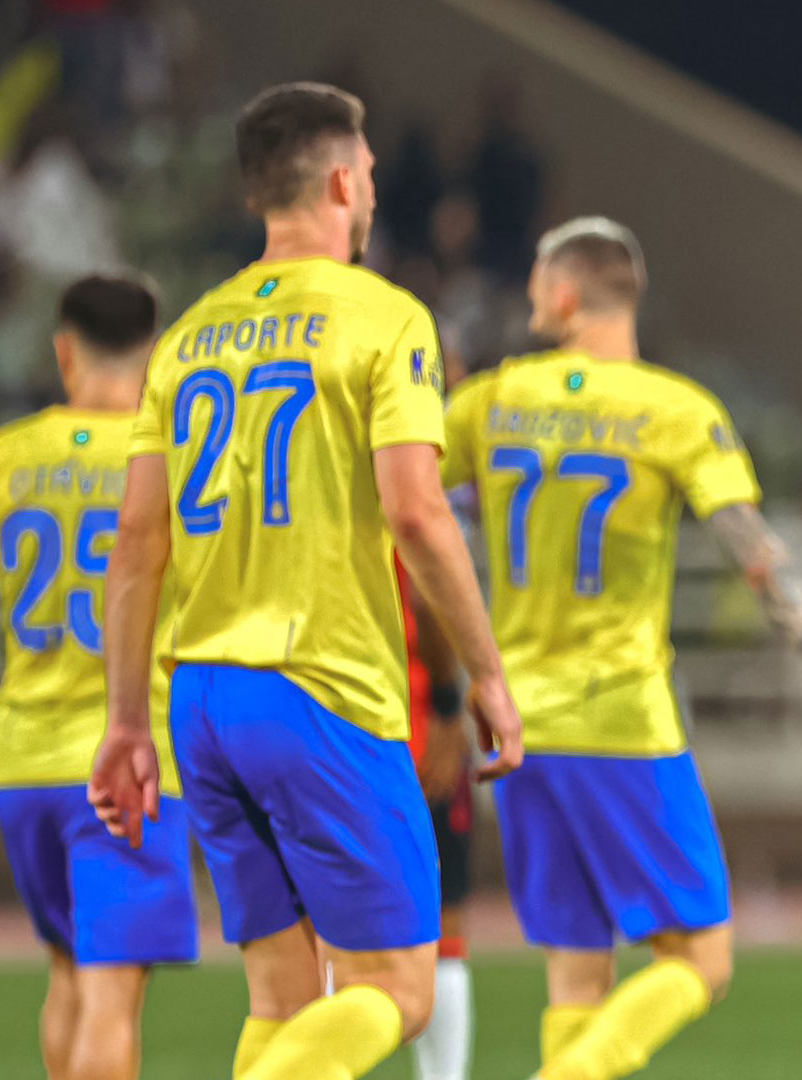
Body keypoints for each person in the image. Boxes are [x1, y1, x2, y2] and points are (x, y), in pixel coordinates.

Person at [87, 81, 522, 1080]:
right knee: (396, 991)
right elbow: (417, 511)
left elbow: (136, 542)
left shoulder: (189, 335)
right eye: (366, 173)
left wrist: (125, 724)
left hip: (200, 698)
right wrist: (489, 677)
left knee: (284, 1001)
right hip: (319, 686)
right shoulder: (385, 316)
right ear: (339, 178)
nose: (371, 189)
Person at [439, 215, 802, 1080]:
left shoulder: (492, 402)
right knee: (700, 960)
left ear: (568, 295)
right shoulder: (675, 411)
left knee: (575, 972)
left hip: (513, 725)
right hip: (620, 718)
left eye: (540, 285)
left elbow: (410, 506)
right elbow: (759, 559)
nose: (533, 299)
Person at [0, 274, 197, 1080]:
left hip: (24, 765)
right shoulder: (172, 459)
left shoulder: (0, 459)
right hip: (131, 763)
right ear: (154, 355)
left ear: (64, 350)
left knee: (66, 977)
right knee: (112, 995)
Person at [400, 565, 478, 1080]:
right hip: (416, 737)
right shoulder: (397, 492)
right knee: (442, 934)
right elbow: (430, 595)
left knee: (311, 944)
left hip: (321, 736)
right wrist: (450, 709)